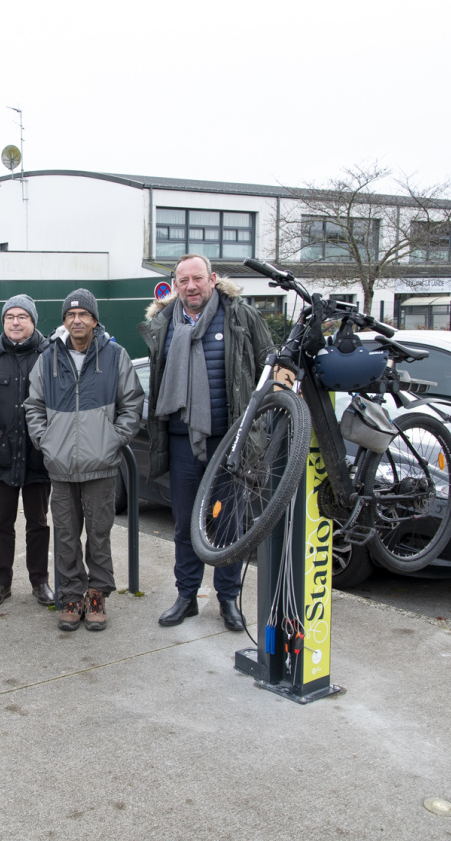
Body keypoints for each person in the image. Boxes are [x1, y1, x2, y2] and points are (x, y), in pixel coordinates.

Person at [137, 254, 278, 632]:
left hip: (230, 442)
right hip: (182, 440)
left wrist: (266, 416)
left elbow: (271, 364)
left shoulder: (240, 315)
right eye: (183, 281)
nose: (191, 287)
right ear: (176, 285)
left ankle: (228, 599)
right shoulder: (164, 323)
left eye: (197, 278)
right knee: (185, 524)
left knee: (230, 523)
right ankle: (186, 596)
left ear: (212, 279)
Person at [25, 289, 144, 632]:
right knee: (65, 536)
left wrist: (113, 441)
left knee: (99, 534)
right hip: (61, 467)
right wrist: (45, 442)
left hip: (101, 465)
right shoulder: (48, 359)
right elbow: (33, 406)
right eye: (70, 315)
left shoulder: (115, 356)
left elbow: (132, 404)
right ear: (64, 321)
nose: (76, 320)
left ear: (94, 320)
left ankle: (97, 595)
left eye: (83, 315)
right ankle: (72, 596)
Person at [0, 295, 54, 607]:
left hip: (37, 457)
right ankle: (1, 581)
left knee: (38, 522)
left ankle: (40, 581)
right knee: (2, 522)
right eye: (9, 317)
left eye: (22, 317)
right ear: (3, 321)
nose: (15, 322)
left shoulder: (49, 354)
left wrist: (45, 439)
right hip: (1, 456)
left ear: (33, 321)